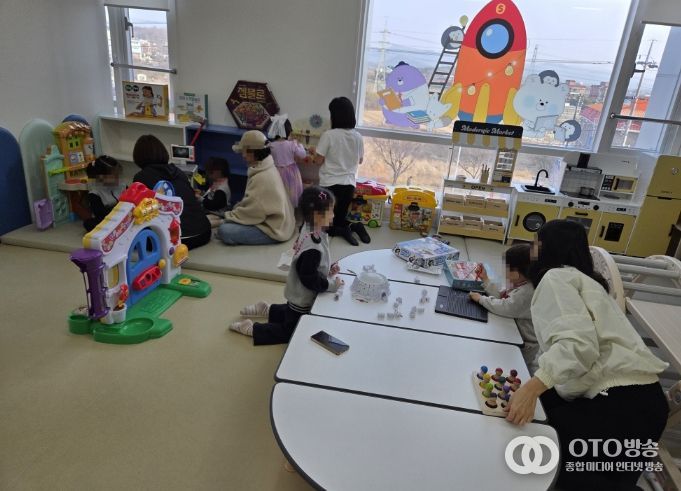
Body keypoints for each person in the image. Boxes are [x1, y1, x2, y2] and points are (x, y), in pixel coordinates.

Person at [505, 219, 668, 490]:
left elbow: (577, 344)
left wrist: (532, 389)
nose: (531, 249)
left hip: (618, 405)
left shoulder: (555, 277)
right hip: (648, 404)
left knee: (547, 463)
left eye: (535, 243)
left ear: (546, 247)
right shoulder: (589, 282)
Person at [230, 186, 342, 344]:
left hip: (296, 291)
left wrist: (328, 269)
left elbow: (313, 265)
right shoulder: (313, 248)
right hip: (302, 295)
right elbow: (309, 278)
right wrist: (331, 285)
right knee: (291, 331)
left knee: (291, 311)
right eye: (330, 211)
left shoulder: (309, 228)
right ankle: (252, 328)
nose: (333, 215)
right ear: (317, 216)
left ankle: (267, 309)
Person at [132, 134, 211, 250]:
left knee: (134, 235)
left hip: (177, 240)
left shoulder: (141, 178)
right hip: (203, 232)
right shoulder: (178, 172)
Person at [217, 130, 295, 245]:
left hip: (274, 229)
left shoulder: (262, 176)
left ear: (254, 152)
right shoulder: (266, 166)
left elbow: (253, 211)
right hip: (279, 222)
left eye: (244, 151)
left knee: (224, 230)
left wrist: (225, 218)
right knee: (231, 215)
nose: (243, 155)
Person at [469, 244, 539, 373]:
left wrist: (481, 299)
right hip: (512, 329)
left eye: (507, 268)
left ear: (517, 273)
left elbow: (505, 307)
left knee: (513, 368)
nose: (504, 271)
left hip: (523, 344)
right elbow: (503, 296)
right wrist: (486, 280)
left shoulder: (528, 292)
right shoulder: (521, 282)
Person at [312, 96, 369, 246]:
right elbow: (360, 160)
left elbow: (318, 161)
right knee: (339, 219)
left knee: (324, 226)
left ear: (335, 116)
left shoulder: (329, 135)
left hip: (329, 186)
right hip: (349, 185)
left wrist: (314, 153)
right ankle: (355, 226)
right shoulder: (358, 136)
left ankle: (344, 231)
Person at [268, 116, 305, 208]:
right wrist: (299, 145)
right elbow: (302, 155)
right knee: (291, 194)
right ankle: (290, 211)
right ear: (288, 130)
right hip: (291, 172)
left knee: (278, 194)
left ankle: (279, 210)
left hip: (276, 172)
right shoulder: (292, 144)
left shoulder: (271, 145)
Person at [83, 155, 126, 232]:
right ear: (100, 177)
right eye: (113, 176)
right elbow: (100, 215)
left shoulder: (122, 185)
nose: (117, 178)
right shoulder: (95, 193)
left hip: (124, 214)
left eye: (118, 175)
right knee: (89, 223)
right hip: (108, 218)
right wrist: (116, 212)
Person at [200, 157, 232, 226]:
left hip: (218, 215)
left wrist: (200, 199)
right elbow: (211, 194)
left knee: (201, 222)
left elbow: (213, 206)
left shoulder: (221, 190)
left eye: (210, 172)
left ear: (218, 172)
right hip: (212, 211)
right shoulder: (218, 181)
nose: (208, 174)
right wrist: (202, 194)